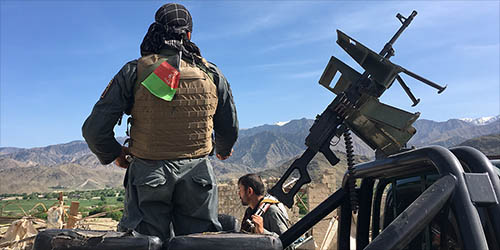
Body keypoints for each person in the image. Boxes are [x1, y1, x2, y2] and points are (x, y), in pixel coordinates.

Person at [82, 3, 238, 242]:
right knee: (200, 244)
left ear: (156, 30)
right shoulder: (211, 73)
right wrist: (223, 150)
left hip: (147, 176)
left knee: (144, 244)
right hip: (199, 177)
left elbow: (94, 130)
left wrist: (116, 153)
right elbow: (229, 128)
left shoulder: (134, 71)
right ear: (188, 34)